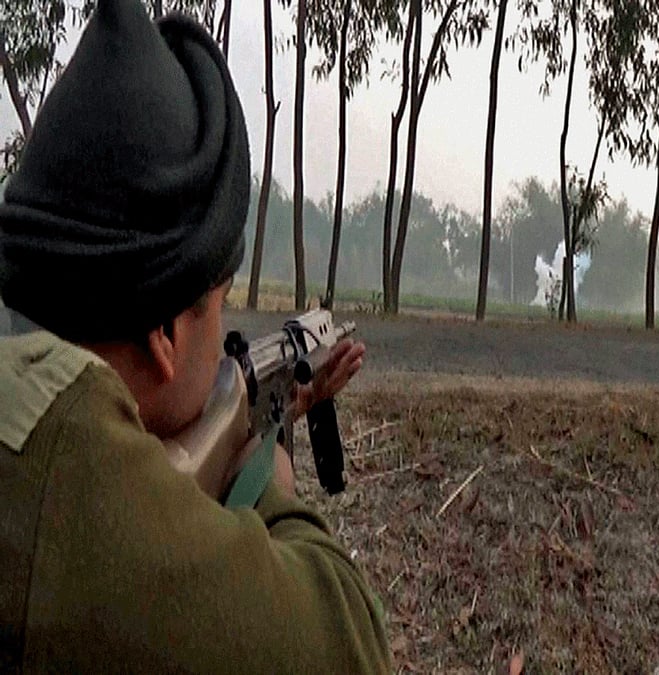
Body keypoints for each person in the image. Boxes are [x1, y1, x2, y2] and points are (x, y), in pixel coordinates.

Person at [0, 1, 390, 672]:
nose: (224, 332)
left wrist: (271, 411)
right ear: (163, 334)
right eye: (219, 304)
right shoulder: (69, 491)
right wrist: (269, 483)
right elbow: (355, 641)